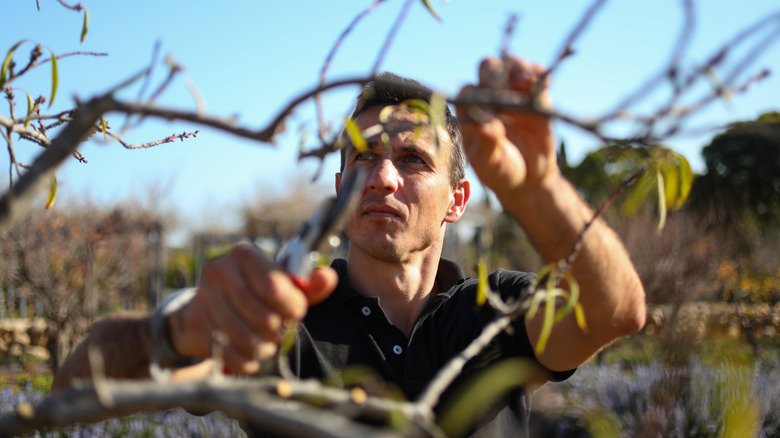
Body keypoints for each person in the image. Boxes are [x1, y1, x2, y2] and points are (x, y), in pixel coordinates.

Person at [52, 56, 646, 437]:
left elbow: (614, 311)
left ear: (458, 199)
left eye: (413, 159)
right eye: (364, 158)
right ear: (340, 189)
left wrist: (537, 186)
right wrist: (177, 331)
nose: (382, 178)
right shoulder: (286, 324)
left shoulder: (494, 312)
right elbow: (77, 388)